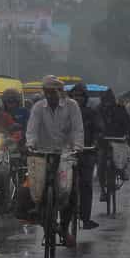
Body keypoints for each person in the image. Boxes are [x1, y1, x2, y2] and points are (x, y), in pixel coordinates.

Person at [23, 76, 84, 244]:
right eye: (47, 92)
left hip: (65, 154)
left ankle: (63, 228)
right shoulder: (38, 108)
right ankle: (47, 223)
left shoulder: (72, 106)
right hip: (42, 152)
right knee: (34, 191)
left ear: (61, 92)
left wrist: (77, 147)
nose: (50, 96)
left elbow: (78, 129)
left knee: (71, 191)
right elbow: (32, 130)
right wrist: (30, 145)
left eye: (53, 92)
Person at [67, 83, 104, 230]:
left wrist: (96, 141)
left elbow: (99, 129)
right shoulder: (65, 113)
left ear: (85, 98)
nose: (78, 98)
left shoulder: (91, 113)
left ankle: (86, 218)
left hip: (87, 152)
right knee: (63, 185)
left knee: (86, 184)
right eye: (75, 96)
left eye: (80, 96)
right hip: (68, 152)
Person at [97, 89, 130, 199]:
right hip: (104, 142)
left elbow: (128, 123)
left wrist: (127, 134)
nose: (107, 103)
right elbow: (96, 124)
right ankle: (103, 190)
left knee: (123, 160)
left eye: (109, 101)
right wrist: (98, 134)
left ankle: (122, 172)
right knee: (101, 166)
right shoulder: (99, 110)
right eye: (105, 101)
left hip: (119, 141)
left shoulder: (120, 109)